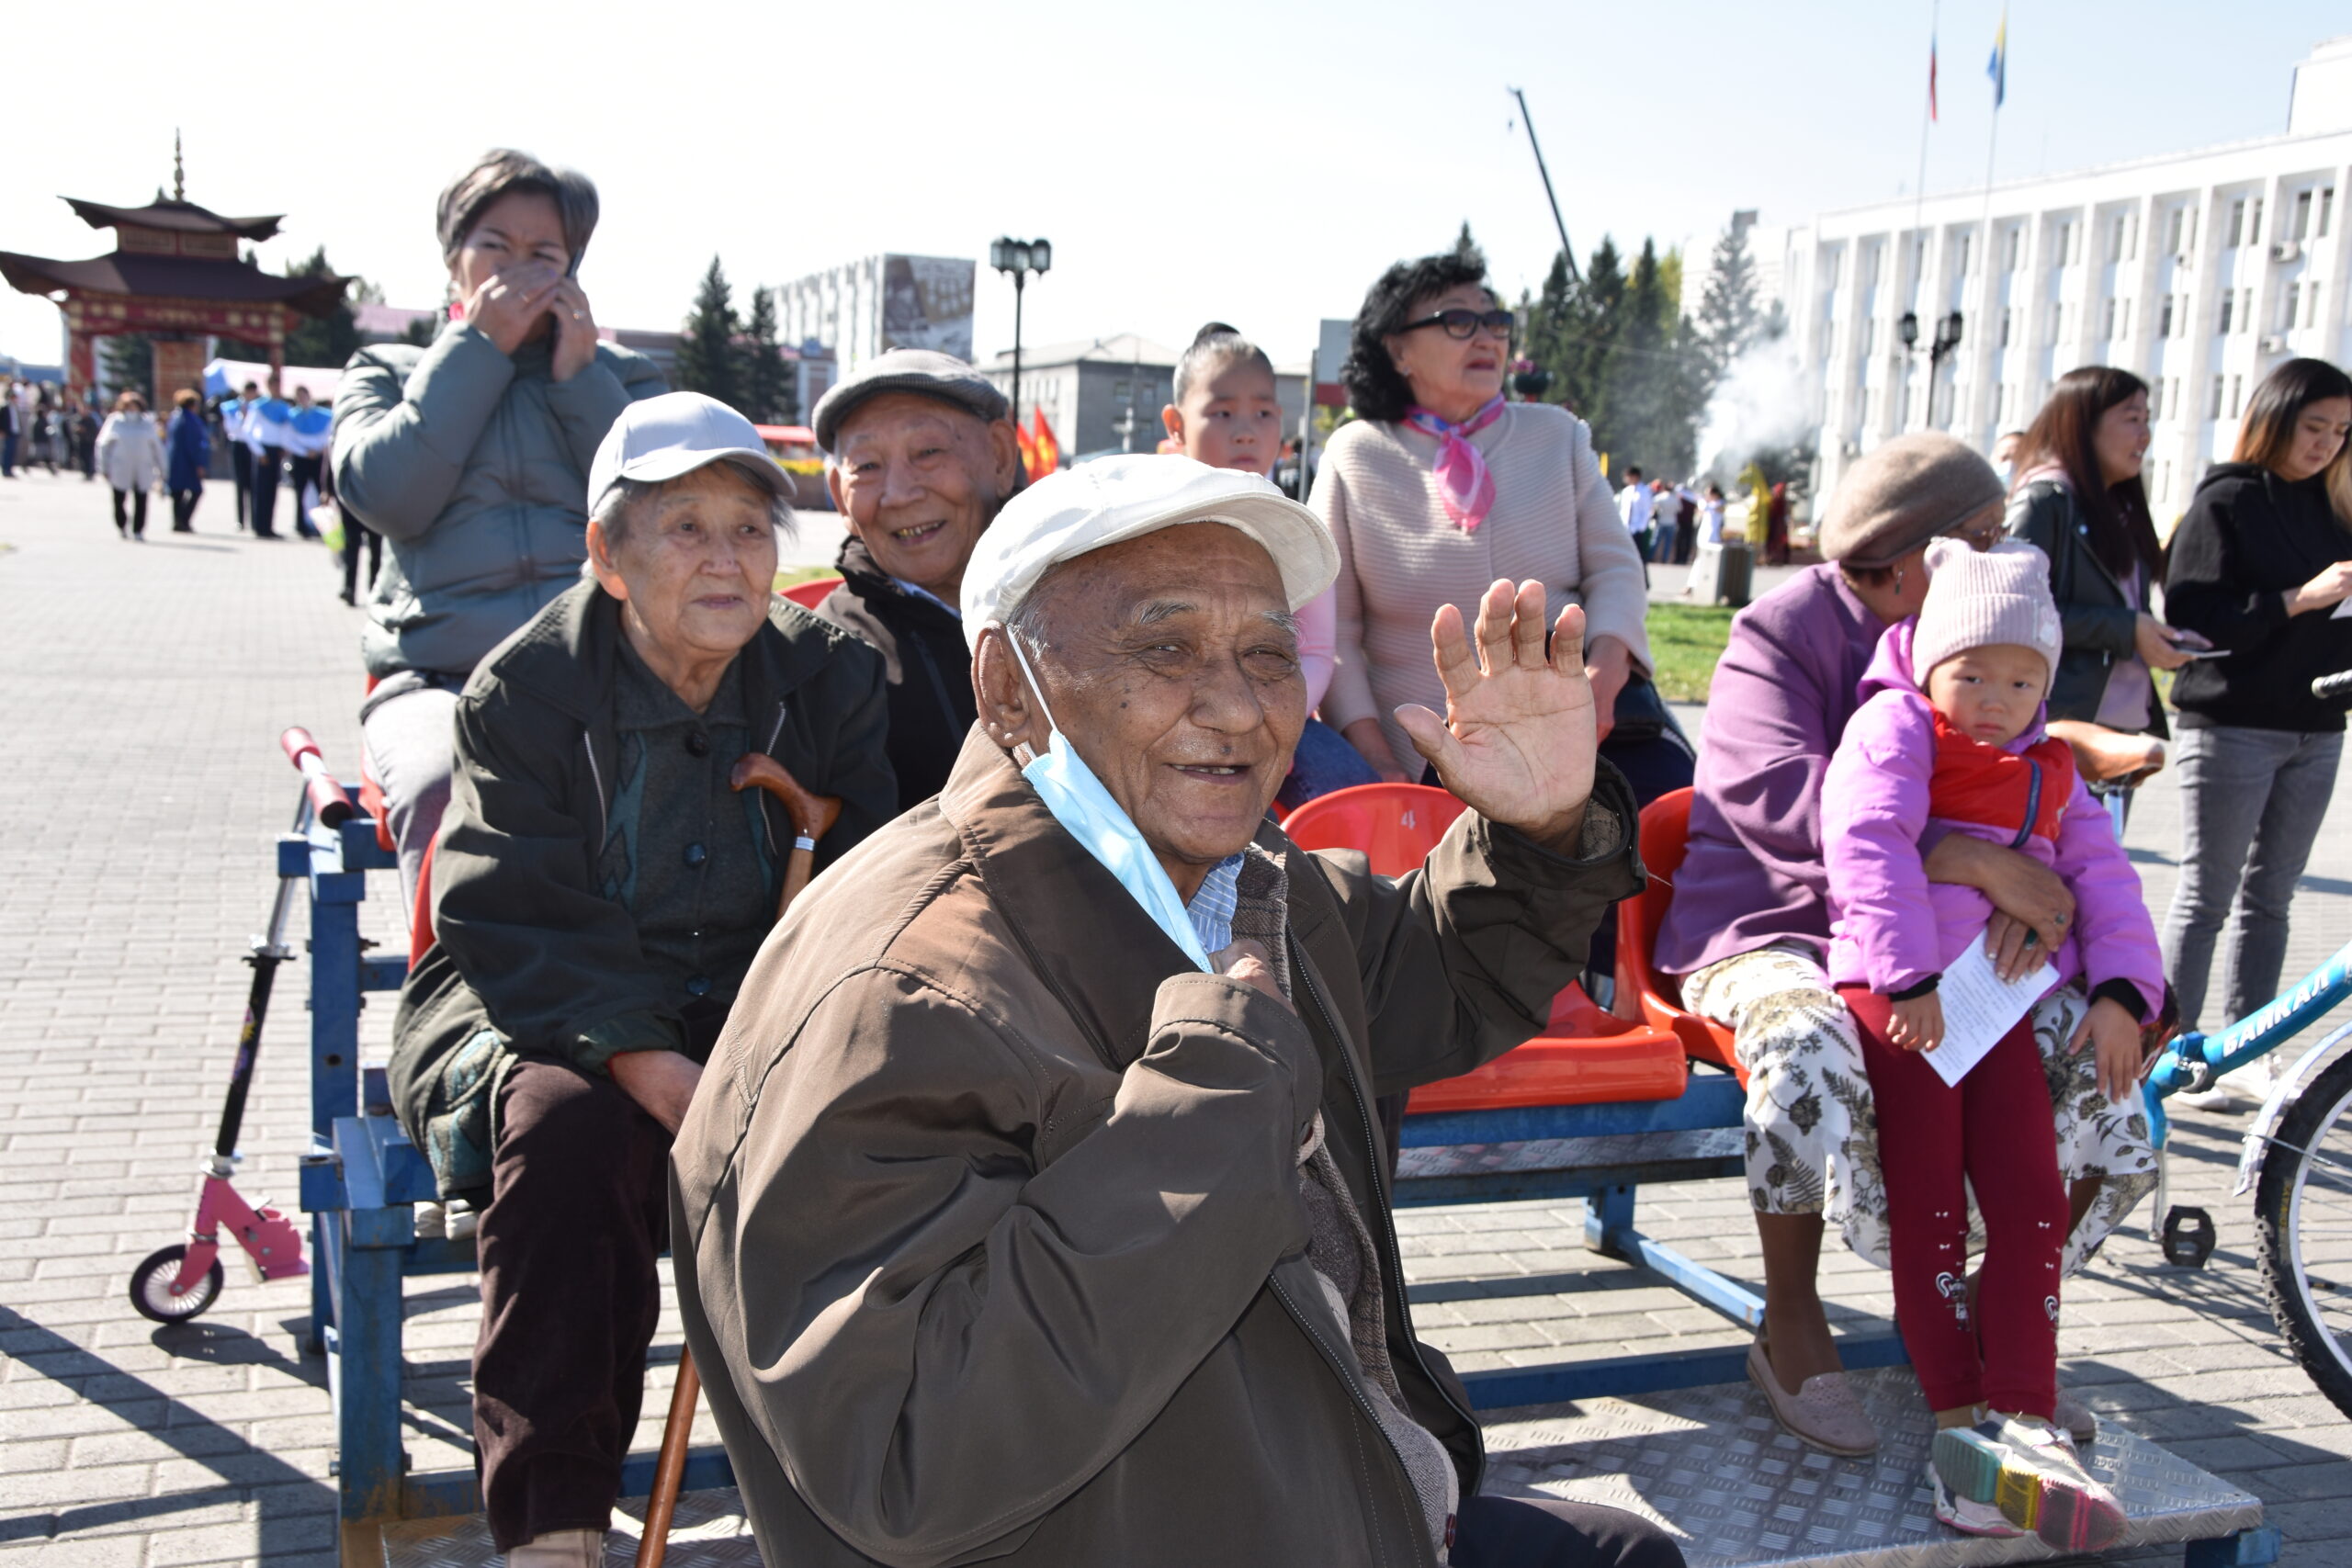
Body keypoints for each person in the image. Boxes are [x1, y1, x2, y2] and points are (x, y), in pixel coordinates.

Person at [673, 453, 1681, 1568]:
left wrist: (1537, 835)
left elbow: (1429, 983)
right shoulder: (905, 992)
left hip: (1313, 1492)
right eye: (1165, 649)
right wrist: (1212, 1101)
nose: (1241, 706)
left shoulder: (1238, 881)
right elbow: (914, 1454)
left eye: (1266, 652)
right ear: (1010, 689)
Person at [386, 393, 894, 1568]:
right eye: (684, 531)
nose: (727, 559)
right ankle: (554, 1525)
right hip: (552, 1002)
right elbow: (508, 902)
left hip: (763, 1000)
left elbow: (874, 859)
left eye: (750, 530)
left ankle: (878, 1499)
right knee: (570, 1143)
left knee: (891, 1139)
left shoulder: (825, 676)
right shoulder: (528, 694)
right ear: (608, 558)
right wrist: (644, 1057)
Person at [1655, 433, 2158, 1458]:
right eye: (1975, 537)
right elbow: (1772, 796)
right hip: (1773, 920)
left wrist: (2112, 971)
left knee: (2099, 1070)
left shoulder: (1978, 633)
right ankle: (1788, 1317)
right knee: (1804, 1051)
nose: (1997, 555)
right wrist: (1969, 861)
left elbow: (2036, 782)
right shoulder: (1779, 630)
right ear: (1900, 558)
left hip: (1951, 943)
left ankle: (1998, 1321)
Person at [1823, 539, 2159, 1547]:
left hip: (1996, 1009)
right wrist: (1905, 976)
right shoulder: (1893, 726)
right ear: (1927, 661)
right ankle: (1959, 1430)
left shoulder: (2050, 769)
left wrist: (2120, 995)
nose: (1995, 698)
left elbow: (2104, 883)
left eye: (2023, 680)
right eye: (1972, 671)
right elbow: (1865, 839)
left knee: (2030, 1202)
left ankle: (2025, 1409)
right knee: (1929, 1209)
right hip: (1910, 1003)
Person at [334, 148, 667, 907]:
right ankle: (457, 1009)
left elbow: (665, 514)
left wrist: (581, 380)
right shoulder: (386, 370)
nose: (518, 269)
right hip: (437, 678)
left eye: (543, 253)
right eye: (494, 246)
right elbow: (388, 497)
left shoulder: (625, 380)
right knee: (433, 789)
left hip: (603, 673)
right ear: (454, 262)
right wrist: (475, 353)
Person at [1316, 246, 1683, 807]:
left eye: (1496, 321)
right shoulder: (1355, 454)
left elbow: (1615, 571)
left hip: (1585, 738)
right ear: (1397, 349)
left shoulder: (1559, 436)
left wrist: (1601, 684)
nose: (1487, 337)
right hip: (1423, 758)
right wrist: (1380, 765)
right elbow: (1332, 631)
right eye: (1459, 321)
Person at [2161, 357, 2352, 1087]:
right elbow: (2194, 616)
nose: (2327, 444)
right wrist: (2297, 598)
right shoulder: (2229, 499)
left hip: (2318, 724)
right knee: (2206, 896)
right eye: (2314, 427)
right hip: (2233, 723)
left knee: (2272, 899)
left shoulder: (2337, 503)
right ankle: (2170, 1051)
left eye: (2340, 430)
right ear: (2274, 418)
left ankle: (2245, 1053)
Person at [1163, 321, 1378, 810]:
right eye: (1221, 413)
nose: (1245, 431)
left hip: (1283, 716)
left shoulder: (1297, 529)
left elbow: (1320, 649)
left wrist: (1279, 720)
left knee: (1351, 796)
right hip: (1172, 716)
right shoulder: (1149, 525)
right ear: (1176, 424)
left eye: (1262, 412)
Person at [810, 348, 1022, 812]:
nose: (899, 494)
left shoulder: (1085, 606)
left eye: (928, 452)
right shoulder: (825, 657)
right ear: (839, 499)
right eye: (867, 466)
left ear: (1001, 457)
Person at [2005, 367, 2210, 784]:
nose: (2145, 434)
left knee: (2102, 851)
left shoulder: (2119, 505)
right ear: (2082, 424)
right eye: (2132, 418)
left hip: (2121, 724)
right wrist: (2126, 629)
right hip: (2063, 724)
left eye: (2147, 419)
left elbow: (2123, 606)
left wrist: (2156, 636)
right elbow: (2014, 613)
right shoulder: (2046, 501)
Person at [95, 390, 164, 539]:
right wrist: (103, 467)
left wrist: (163, 469)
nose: (132, 409)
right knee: (119, 499)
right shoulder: (115, 421)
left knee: (141, 500)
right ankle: (122, 524)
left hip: (142, 467)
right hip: (120, 467)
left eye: (135, 406)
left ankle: (138, 529)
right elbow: (103, 444)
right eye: (129, 406)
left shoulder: (146, 423)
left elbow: (157, 447)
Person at [244, 384, 292, 538]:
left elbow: (286, 430)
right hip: (263, 450)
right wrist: (260, 452)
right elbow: (248, 431)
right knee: (261, 490)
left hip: (276, 451)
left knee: (272, 490)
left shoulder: (284, 407)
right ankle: (259, 526)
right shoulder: (258, 406)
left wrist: (285, 447)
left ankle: (269, 526)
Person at [284, 385, 331, 537]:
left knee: (321, 492)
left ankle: (323, 525)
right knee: (300, 492)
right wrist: (305, 452)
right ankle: (301, 525)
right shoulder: (291, 416)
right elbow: (289, 440)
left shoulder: (323, 415)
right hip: (301, 458)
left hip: (318, 457)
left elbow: (327, 434)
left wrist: (319, 450)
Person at [165, 389, 209, 532]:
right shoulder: (191, 421)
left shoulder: (174, 418)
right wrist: (199, 464)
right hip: (188, 462)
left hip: (174, 460)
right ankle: (183, 519)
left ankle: (178, 521)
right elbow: (194, 444)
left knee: (177, 493)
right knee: (196, 491)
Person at [223, 381, 261, 528]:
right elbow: (230, 429)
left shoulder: (258, 407)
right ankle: (240, 520)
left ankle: (254, 520)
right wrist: (242, 417)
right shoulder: (231, 407)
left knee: (253, 483)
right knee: (240, 483)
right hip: (238, 445)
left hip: (253, 446)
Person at [1617, 463, 1654, 558]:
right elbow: (1623, 509)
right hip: (1625, 528)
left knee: (1637, 557)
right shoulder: (1626, 491)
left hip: (1637, 529)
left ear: (1635, 476)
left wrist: (1641, 527)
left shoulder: (1644, 491)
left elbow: (1646, 510)